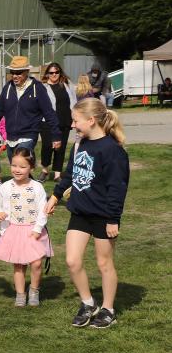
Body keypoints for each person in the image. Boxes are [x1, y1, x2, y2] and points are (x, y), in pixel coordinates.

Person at [45, 99, 129, 329]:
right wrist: (55, 196)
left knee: (104, 264)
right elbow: (70, 174)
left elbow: (117, 188)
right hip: (80, 213)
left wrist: (113, 219)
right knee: (72, 261)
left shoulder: (113, 151)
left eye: (75, 121)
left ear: (91, 120)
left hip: (104, 217)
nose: (72, 125)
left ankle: (108, 309)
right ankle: (88, 303)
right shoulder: (79, 144)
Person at [0, 147, 53, 307]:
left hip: (33, 230)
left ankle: (34, 290)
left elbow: (43, 210)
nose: (17, 170)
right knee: (18, 264)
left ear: (31, 167)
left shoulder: (37, 187)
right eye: (14, 165)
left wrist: (37, 229)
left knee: (36, 262)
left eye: (22, 167)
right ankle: (20, 294)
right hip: (13, 230)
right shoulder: (5, 186)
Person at [0, 56, 61, 161]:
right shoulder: (8, 88)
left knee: (20, 160)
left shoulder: (38, 88)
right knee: (17, 169)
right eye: (12, 72)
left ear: (27, 71)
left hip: (28, 135)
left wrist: (56, 136)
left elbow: (49, 113)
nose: (14, 76)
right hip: (10, 137)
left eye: (18, 73)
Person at [39, 63, 77, 182]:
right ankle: (45, 170)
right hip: (47, 122)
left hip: (65, 121)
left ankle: (57, 174)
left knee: (60, 148)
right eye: (51, 72)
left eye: (56, 72)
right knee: (47, 146)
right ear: (47, 74)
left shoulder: (67, 85)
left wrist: (74, 119)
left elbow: (74, 102)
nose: (54, 75)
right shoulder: (42, 87)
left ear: (60, 73)